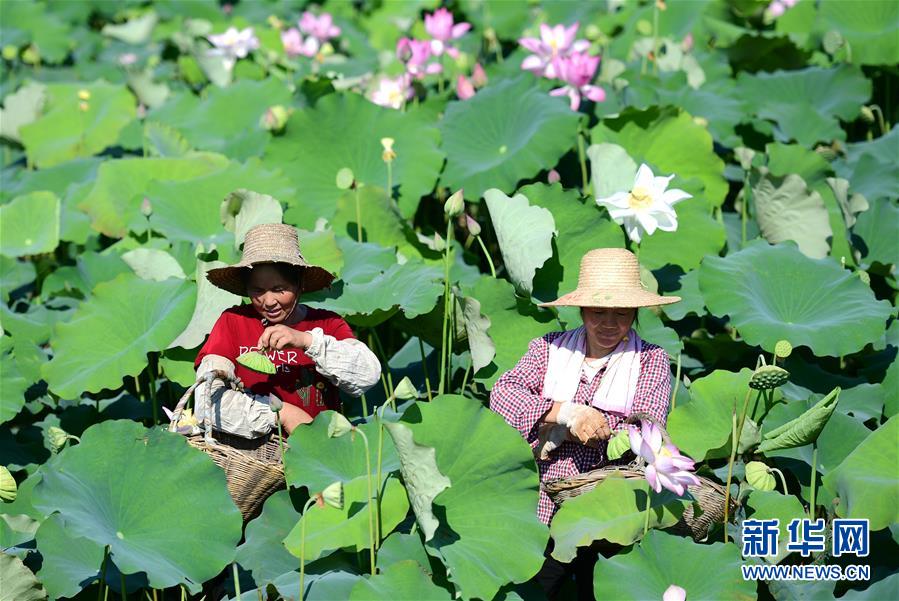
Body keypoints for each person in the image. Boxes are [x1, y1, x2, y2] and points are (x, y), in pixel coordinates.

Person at [489, 248, 681, 600]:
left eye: (622, 314)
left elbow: (647, 427)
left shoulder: (651, 360)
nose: (609, 323)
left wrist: (589, 427)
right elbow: (503, 395)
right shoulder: (547, 349)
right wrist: (567, 413)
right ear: (580, 310)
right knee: (532, 592)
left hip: (612, 507)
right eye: (598, 312)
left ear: (635, 314)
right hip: (544, 503)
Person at [192, 222, 381, 439]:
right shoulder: (233, 322)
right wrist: (281, 413)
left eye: (279, 290)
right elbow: (206, 402)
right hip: (254, 458)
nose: (268, 301)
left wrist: (307, 341)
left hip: (320, 452)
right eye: (257, 290)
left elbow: (368, 376)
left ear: (300, 284)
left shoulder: (327, 324)